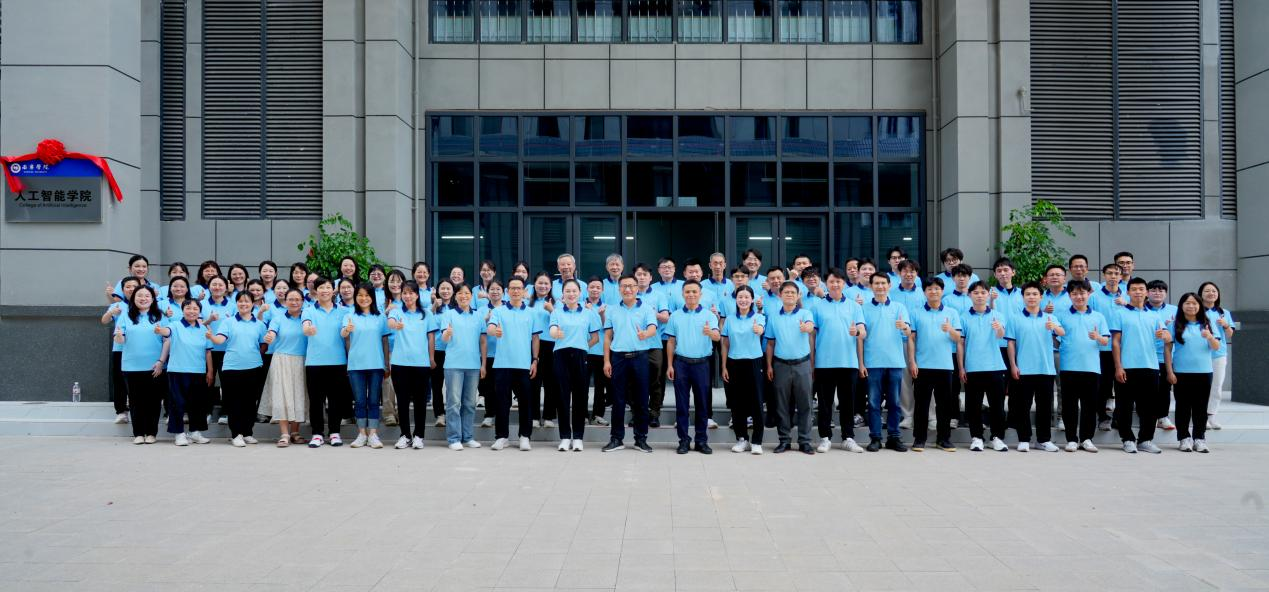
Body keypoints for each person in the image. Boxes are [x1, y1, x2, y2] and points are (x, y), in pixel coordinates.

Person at [1112, 277, 1171, 454]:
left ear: (1146, 292)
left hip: (1150, 366)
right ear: (1128, 292)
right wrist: (1118, 367)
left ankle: (1145, 440)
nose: (1138, 292)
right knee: (1124, 406)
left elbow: (1167, 337)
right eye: (1134, 289)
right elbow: (1115, 342)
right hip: (1127, 366)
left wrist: (1165, 335)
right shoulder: (1119, 313)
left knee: (1149, 407)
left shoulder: (1154, 315)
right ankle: (1127, 439)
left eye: (1141, 289)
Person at [811, 268, 866, 453]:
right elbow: (812, 336)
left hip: (848, 362)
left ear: (844, 283)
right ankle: (825, 437)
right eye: (832, 281)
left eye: (839, 281)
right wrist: (812, 361)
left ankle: (848, 437)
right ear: (826, 284)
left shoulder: (854, 306)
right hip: (824, 362)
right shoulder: (817, 306)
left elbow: (863, 332)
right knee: (825, 403)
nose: (835, 284)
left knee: (848, 402)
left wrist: (857, 332)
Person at [601, 274, 658, 453]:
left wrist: (645, 334)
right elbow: (607, 337)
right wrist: (606, 361)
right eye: (624, 286)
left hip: (640, 357)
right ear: (619, 289)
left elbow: (652, 327)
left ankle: (641, 439)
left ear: (637, 288)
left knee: (641, 399)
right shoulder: (612, 310)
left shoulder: (647, 308)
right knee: (618, 400)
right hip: (618, 358)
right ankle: (616, 438)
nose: (627, 289)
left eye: (631, 286)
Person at [1006, 282, 1065, 452]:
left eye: (1035, 294)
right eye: (1028, 294)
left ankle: (1043, 440)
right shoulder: (1015, 318)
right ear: (1023, 297)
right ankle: (1024, 439)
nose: (1031, 297)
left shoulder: (1049, 318)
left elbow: (1062, 333)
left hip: (1045, 369)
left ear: (1041, 297)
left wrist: (1054, 327)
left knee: (1044, 407)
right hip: (1023, 369)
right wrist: (1013, 365)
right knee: (1022, 406)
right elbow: (1011, 343)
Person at [906, 277, 962, 452]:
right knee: (921, 405)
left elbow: (958, 338)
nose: (933, 291)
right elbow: (911, 339)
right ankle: (919, 439)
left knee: (944, 405)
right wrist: (912, 361)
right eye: (929, 289)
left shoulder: (952, 313)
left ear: (942, 291)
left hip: (945, 365)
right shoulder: (915, 312)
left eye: (937, 288)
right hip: (922, 366)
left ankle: (943, 439)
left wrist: (950, 329)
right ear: (924, 292)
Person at [486, 277, 542, 451]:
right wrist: (494, 331)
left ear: (524, 291)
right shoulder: (498, 311)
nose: (516, 291)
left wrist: (535, 360)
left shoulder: (532, 313)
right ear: (507, 291)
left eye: (519, 288)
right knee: (502, 403)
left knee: (526, 402)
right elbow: (490, 328)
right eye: (512, 288)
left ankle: (524, 436)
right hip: (502, 364)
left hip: (524, 364)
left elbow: (535, 338)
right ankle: (502, 437)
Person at [666, 280, 720, 454]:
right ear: (683, 294)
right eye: (687, 292)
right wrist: (670, 365)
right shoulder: (675, 316)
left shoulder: (709, 315)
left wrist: (710, 333)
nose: (691, 295)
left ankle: (701, 440)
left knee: (702, 404)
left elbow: (718, 337)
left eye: (694, 292)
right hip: (681, 363)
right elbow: (671, 341)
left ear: (700, 294)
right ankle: (683, 440)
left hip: (702, 364)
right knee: (682, 405)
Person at [549, 279, 603, 451]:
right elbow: (552, 330)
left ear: (580, 293)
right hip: (561, 356)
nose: (571, 294)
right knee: (562, 397)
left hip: (581, 356)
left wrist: (583, 346)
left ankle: (578, 437)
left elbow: (595, 337)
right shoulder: (556, 312)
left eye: (574, 291)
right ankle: (565, 437)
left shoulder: (589, 313)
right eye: (568, 291)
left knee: (580, 396)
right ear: (562, 294)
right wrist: (556, 333)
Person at [1056, 280, 1110, 452]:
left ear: (1089, 294)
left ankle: (1087, 438)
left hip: (1091, 367)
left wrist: (1097, 337)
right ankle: (1071, 439)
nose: (1079, 296)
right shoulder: (1061, 316)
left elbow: (1105, 340)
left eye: (1082, 293)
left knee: (1089, 406)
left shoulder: (1098, 317)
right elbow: (1055, 339)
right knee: (1069, 405)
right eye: (1075, 293)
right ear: (1069, 295)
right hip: (1068, 366)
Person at [765, 281, 817, 455]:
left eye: (792, 292)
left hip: (802, 364)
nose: (789, 295)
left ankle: (805, 441)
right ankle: (784, 440)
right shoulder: (774, 317)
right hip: (780, 365)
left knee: (805, 404)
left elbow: (810, 326)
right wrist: (769, 366)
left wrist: (806, 327)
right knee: (781, 405)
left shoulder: (805, 313)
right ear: (780, 295)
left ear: (798, 295)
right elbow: (770, 343)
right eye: (786, 292)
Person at [209, 292, 267, 447]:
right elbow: (220, 339)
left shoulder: (260, 324)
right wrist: (212, 337)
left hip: (254, 367)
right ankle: (236, 434)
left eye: (247, 301)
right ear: (236, 303)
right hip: (232, 367)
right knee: (234, 402)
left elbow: (264, 344)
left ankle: (247, 432)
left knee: (250, 402)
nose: (243, 304)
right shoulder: (228, 322)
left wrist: (255, 355)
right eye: (240, 301)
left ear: (253, 304)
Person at [861, 273, 911, 452]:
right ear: (871, 286)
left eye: (883, 283)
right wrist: (861, 363)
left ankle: (894, 437)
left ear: (889, 285)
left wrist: (904, 327)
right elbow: (861, 336)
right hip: (873, 362)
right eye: (876, 283)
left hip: (895, 362)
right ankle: (875, 437)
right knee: (874, 403)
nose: (880, 286)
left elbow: (908, 332)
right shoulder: (863, 308)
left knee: (894, 403)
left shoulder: (899, 307)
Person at [113, 285, 168, 444]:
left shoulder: (160, 316)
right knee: (135, 401)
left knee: (154, 401)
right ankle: (138, 433)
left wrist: (161, 361)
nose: (143, 298)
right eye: (139, 296)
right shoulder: (126, 316)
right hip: (132, 366)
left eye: (147, 296)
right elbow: (120, 338)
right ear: (134, 298)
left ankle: (151, 433)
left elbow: (167, 340)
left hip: (155, 366)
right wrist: (119, 336)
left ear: (153, 299)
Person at [958, 281, 1009, 451]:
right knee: (973, 405)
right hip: (973, 367)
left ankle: (997, 437)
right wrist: (961, 367)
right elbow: (960, 344)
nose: (980, 295)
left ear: (988, 295)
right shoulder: (963, 317)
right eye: (976, 292)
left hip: (995, 366)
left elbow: (1001, 336)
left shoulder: (997, 315)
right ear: (969, 295)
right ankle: (977, 437)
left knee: (997, 405)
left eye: (983, 292)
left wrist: (998, 328)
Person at [1166, 292, 1220, 453]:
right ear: (1181, 306)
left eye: (1194, 303)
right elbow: (1167, 350)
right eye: (1187, 303)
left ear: (1200, 306)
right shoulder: (1174, 325)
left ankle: (1199, 438)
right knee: (1182, 407)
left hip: (1204, 372)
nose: (1191, 306)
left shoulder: (1208, 324)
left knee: (1200, 408)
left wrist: (1209, 337)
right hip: (1181, 372)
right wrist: (1170, 371)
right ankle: (1184, 438)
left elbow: (1216, 347)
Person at [300, 278, 351, 448]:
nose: (325, 290)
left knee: (336, 399)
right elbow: (305, 326)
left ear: (333, 290)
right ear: (316, 290)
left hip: (338, 361)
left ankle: (335, 432)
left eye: (328, 287)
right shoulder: (308, 311)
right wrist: (308, 329)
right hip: (315, 362)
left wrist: (347, 330)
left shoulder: (344, 311)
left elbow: (345, 331)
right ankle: (317, 434)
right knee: (316, 400)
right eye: (321, 287)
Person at [387, 281, 436, 450]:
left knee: (420, 402)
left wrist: (431, 358)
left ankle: (419, 436)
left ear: (417, 295)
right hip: (400, 363)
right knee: (402, 401)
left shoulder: (427, 314)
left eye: (411, 293)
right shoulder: (396, 311)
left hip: (421, 363)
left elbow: (431, 338)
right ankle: (405, 435)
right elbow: (390, 323)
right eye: (404, 293)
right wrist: (396, 325)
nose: (407, 296)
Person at [158, 298, 214, 446]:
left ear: (199, 311)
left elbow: (208, 352)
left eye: (195, 309)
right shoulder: (175, 325)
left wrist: (210, 371)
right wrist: (160, 330)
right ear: (183, 310)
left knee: (197, 403)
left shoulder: (203, 329)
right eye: (188, 308)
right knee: (178, 403)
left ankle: (195, 432)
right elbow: (166, 332)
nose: (192, 311)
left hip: (198, 371)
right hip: (178, 370)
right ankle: (179, 433)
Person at [342, 285, 390, 449]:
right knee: (360, 401)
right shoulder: (349, 316)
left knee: (374, 401)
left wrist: (386, 363)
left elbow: (385, 341)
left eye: (367, 295)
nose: (363, 298)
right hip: (356, 365)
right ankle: (362, 434)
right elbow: (344, 335)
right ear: (355, 297)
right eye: (360, 295)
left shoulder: (380, 317)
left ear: (372, 297)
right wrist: (346, 330)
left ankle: (373, 434)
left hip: (376, 364)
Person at [440, 284, 487, 450]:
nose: (464, 296)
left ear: (471, 296)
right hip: (454, 365)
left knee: (469, 403)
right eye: (460, 293)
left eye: (467, 293)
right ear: (455, 296)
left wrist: (483, 364)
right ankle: (454, 438)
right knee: (454, 403)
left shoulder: (478, 316)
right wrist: (447, 333)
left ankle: (468, 437)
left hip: (473, 365)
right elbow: (444, 338)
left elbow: (483, 341)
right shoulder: (449, 314)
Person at [721, 285, 766, 454]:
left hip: (754, 362)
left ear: (752, 299)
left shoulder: (759, 317)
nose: (743, 300)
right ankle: (742, 439)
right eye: (740, 297)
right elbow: (725, 344)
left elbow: (761, 329)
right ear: (736, 299)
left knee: (756, 402)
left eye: (747, 297)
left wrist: (758, 329)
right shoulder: (730, 319)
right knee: (737, 402)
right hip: (734, 363)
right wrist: (724, 366)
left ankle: (757, 441)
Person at [261, 289, 308, 447]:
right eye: (290, 299)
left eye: (297, 299)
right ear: (285, 301)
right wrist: (269, 337)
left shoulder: (307, 318)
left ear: (302, 301)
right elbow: (272, 332)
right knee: (282, 395)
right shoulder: (278, 318)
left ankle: (295, 432)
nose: (294, 302)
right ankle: (284, 433)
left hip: (302, 360)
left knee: (298, 395)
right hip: (282, 360)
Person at [1089, 263, 1126, 431]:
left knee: (1122, 384)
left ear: (1121, 276)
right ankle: (1102, 417)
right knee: (1103, 385)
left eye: (1116, 273)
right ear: (1104, 275)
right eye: (1109, 273)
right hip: (1101, 348)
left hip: (1124, 347)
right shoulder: (1094, 297)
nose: (1113, 276)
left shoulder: (1127, 295)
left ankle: (1119, 418)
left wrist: (1126, 304)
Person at [634, 263, 670, 427]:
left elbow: (666, 318)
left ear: (650, 278)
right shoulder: (629, 294)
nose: (641, 277)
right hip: (634, 345)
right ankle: (637, 414)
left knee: (656, 381)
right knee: (635, 382)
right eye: (638, 274)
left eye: (645, 274)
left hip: (654, 344)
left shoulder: (659, 295)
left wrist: (651, 312)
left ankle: (654, 413)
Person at [103, 276, 141, 424]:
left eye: (134, 286)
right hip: (120, 348)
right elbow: (104, 320)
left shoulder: (146, 304)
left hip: (139, 350)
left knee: (137, 381)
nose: (131, 289)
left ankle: (138, 409)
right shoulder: (118, 305)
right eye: (128, 287)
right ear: (123, 290)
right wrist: (111, 313)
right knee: (119, 380)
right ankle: (121, 411)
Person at [1199, 281, 1235, 431]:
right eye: (1207, 291)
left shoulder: (1223, 312)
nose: (1211, 293)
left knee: (1217, 386)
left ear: (1218, 294)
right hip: (1200, 353)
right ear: (1201, 294)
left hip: (1218, 354)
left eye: (1214, 291)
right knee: (1202, 387)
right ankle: (1200, 416)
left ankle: (1211, 415)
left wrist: (1225, 325)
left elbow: (1230, 334)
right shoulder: (1196, 310)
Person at [1146, 280, 1178, 432]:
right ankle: (1148, 416)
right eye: (1153, 290)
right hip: (1146, 356)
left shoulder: (1174, 310)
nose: (1157, 293)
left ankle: (1163, 416)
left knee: (1165, 388)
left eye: (1161, 290)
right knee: (1147, 389)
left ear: (1166, 293)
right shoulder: (1141, 310)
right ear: (1147, 293)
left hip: (1166, 356)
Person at [529, 272, 559, 429]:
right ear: (534, 285)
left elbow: (562, 323)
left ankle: (548, 416)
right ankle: (534, 416)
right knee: (534, 381)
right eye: (540, 283)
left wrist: (552, 310)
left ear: (551, 286)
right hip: (532, 344)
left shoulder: (557, 303)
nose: (543, 286)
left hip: (551, 345)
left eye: (546, 283)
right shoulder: (528, 303)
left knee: (551, 381)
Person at [203, 276, 234, 425]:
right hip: (206, 349)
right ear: (209, 287)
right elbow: (195, 324)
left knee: (227, 382)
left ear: (226, 287)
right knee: (207, 381)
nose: (217, 287)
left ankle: (226, 412)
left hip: (227, 349)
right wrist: (209, 320)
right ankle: (206, 411)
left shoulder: (233, 305)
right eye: (214, 284)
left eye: (220, 284)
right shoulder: (201, 304)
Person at [584, 277, 611, 426]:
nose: (595, 290)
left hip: (601, 352)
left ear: (602, 290)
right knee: (582, 385)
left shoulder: (607, 308)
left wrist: (601, 315)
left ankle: (597, 415)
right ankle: (581, 414)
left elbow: (609, 329)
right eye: (592, 287)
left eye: (598, 287)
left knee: (600, 386)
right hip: (584, 350)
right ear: (587, 289)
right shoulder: (580, 306)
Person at [430, 280, 456, 427]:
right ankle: (439, 414)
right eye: (442, 288)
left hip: (453, 350)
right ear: (438, 291)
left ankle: (452, 414)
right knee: (436, 385)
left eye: (448, 288)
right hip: (437, 350)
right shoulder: (432, 308)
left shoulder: (457, 307)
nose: (445, 291)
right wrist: (434, 306)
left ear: (453, 291)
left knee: (453, 386)